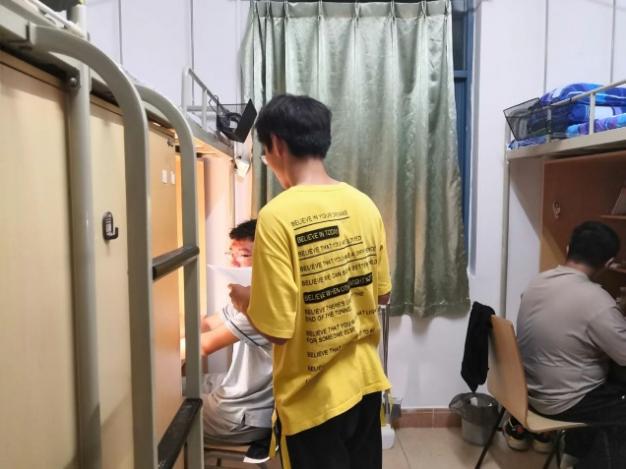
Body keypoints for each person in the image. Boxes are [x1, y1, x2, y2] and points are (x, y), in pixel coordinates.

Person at [229, 94, 392, 469]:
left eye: (264, 153)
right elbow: (382, 295)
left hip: (312, 401)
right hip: (366, 385)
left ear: (277, 144)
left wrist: (243, 298)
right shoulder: (364, 204)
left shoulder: (277, 216)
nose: (267, 161)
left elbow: (277, 330)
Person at [513, 221, 625, 467]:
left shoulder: (537, 282)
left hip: (529, 392)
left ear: (567, 248)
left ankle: (574, 456)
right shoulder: (597, 301)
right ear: (608, 263)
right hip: (565, 401)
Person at [180, 219, 273, 447]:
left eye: (243, 255)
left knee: (161, 407)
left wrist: (156, 349)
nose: (232, 263)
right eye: (231, 254)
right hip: (242, 390)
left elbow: (204, 346)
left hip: (244, 416)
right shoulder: (251, 292)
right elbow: (208, 324)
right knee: (179, 385)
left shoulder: (265, 304)